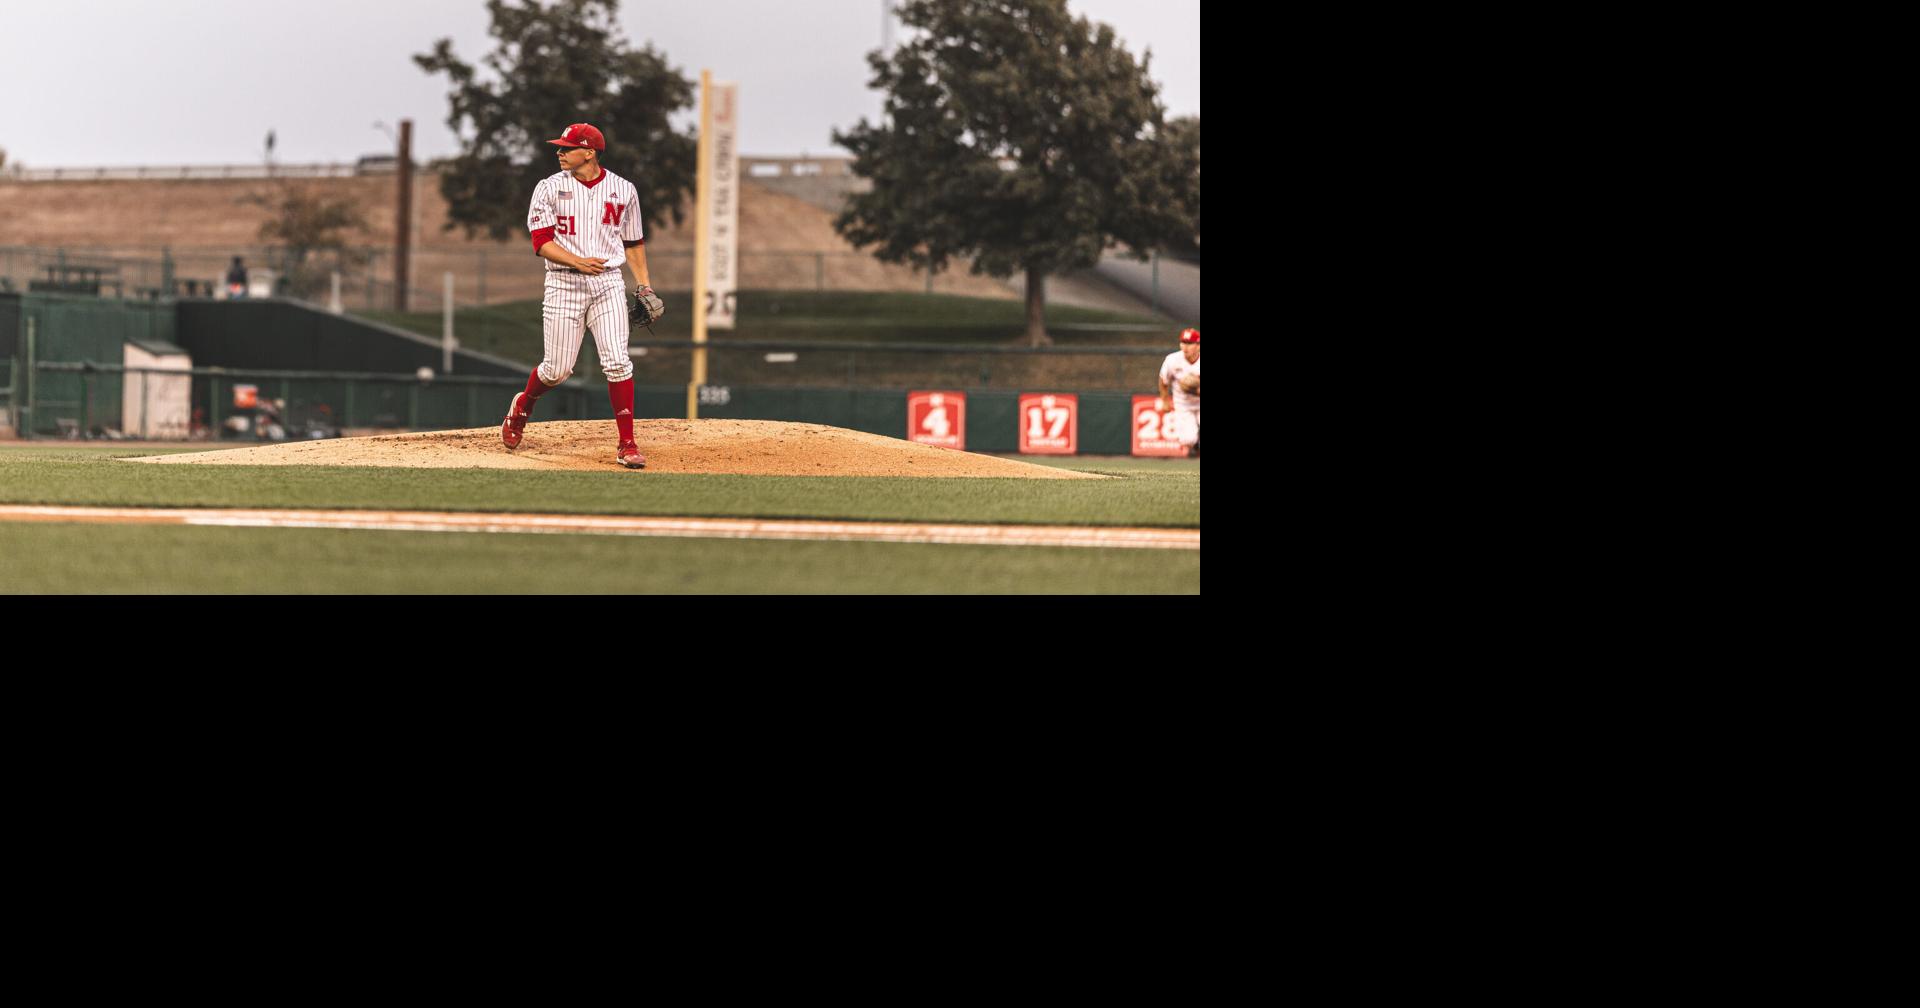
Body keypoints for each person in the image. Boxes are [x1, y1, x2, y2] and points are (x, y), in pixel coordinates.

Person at [500, 122, 660, 469]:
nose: (559, 152)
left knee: (618, 362)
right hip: (563, 283)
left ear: (589, 152)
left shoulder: (623, 189)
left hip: (607, 283)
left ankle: (627, 444)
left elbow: (633, 243)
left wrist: (644, 285)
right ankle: (524, 404)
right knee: (557, 370)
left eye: (566, 148)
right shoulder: (548, 188)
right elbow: (541, 242)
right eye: (559, 147)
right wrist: (577, 262)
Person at [1157, 327, 1201, 457]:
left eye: (1190, 343)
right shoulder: (1172, 360)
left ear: (1198, 345)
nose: (1185, 347)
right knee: (1187, 440)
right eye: (1183, 342)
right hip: (1183, 404)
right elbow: (1163, 381)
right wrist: (1164, 400)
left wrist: (1197, 390)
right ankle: (1197, 444)